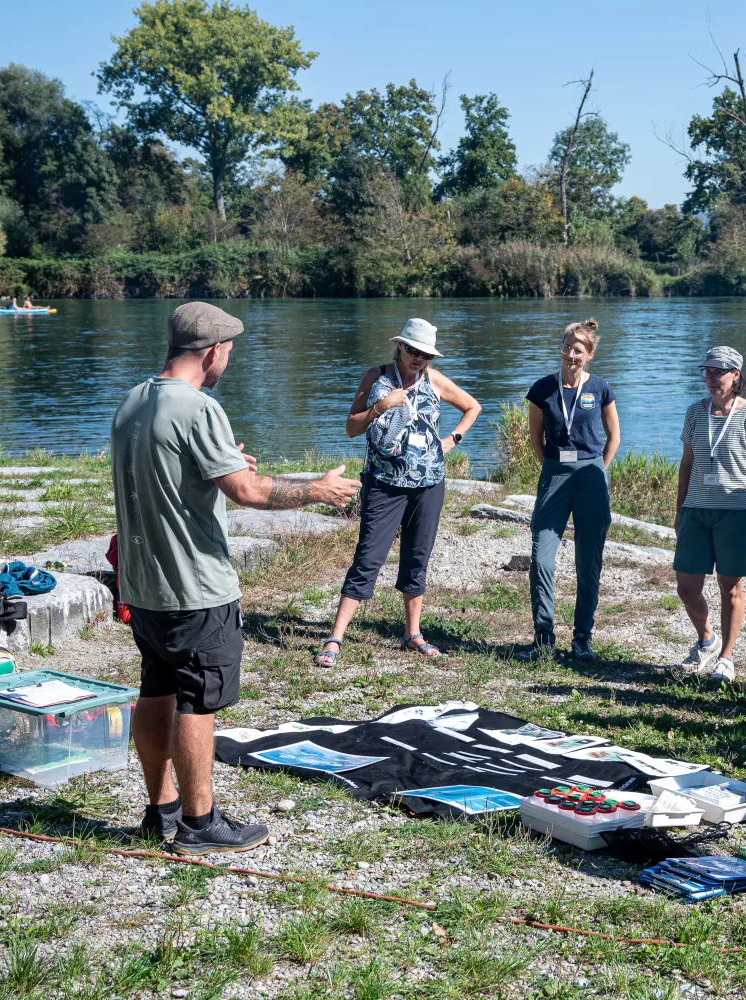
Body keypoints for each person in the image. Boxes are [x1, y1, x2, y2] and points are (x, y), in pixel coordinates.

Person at [112, 302, 360, 855]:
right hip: (194, 585)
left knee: (156, 688)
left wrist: (223, 462)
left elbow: (170, 472)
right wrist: (318, 490)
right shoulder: (198, 408)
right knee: (197, 699)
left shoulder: (133, 401)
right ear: (212, 352)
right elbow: (247, 492)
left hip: (144, 586)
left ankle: (162, 811)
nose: (228, 360)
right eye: (228, 352)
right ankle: (200, 826)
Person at [316, 319, 481, 667]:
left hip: (429, 484)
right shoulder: (376, 377)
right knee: (368, 557)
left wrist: (452, 440)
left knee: (417, 556)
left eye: (426, 354)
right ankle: (335, 637)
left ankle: (413, 633)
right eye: (414, 351)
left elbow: (472, 407)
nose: (419, 359)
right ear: (400, 347)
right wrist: (382, 406)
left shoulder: (433, 380)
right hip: (383, 485)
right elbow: (350, 428)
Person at [517, 318, 621, 662]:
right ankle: (544, 638)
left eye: (577, 350)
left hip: (591, 475)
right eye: (566, 348)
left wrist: (598, 470)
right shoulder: (543, 388)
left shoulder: (601, 388)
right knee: (542, 558)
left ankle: (582, 639)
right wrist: (552, 467)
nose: (570, 355)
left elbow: (613, 437)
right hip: (554, 475)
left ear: (589, 355)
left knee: (588, 562)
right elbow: (535, 438)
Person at [673, 346, 746, 683]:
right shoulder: (693, 412)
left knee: (729, 587)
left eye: (719, 372)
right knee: (686, 587)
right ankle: (707, 640)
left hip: (737, 511)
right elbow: (687, 465)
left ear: (736, 376)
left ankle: (726, 658)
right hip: (696, 510)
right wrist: (679, 509)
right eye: (707, 371)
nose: (712, 378)